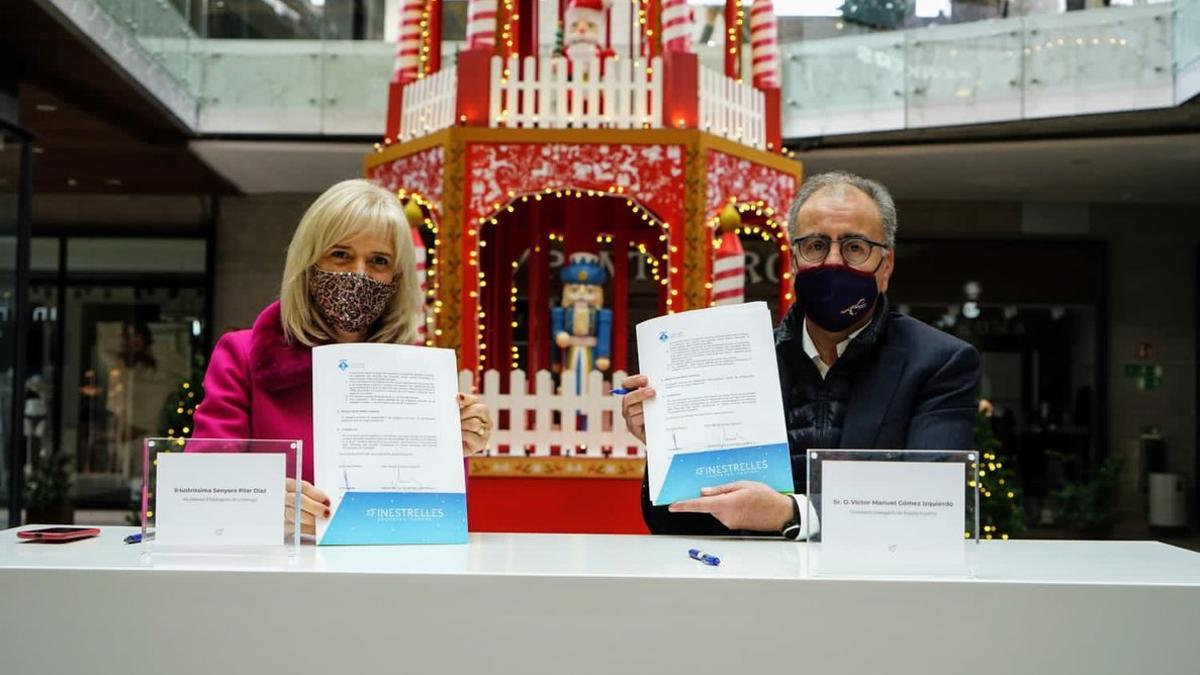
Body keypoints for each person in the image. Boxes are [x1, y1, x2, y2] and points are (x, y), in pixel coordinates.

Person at [621, 171, 980, 537]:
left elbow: (937, 501)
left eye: (855, 247)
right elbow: (676, 523)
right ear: (794, 260)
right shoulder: (743, 363)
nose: (833, 262)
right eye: (815, 246)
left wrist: (791, 513)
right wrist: (671, 448)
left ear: (885, 266)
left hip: (873, 585)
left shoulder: (937, 363)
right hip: (754, 586)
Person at [192, 179, 493, 536]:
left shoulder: (415, 373)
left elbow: (436, 516)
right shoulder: (243, 355)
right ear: (308, 261)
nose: (358, 273)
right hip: (278, 572)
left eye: (378, 261)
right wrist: (260, 501)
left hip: (385, 571)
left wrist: (459, 444)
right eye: (340, 254)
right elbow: (201, 484)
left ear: (398, 279)